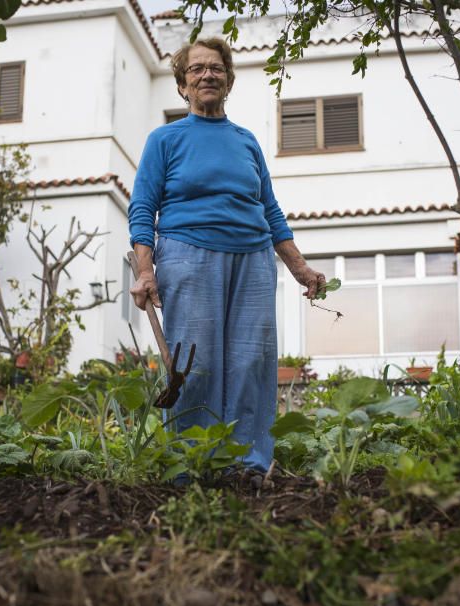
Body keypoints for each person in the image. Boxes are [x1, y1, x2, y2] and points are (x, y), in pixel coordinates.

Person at [128, 37, 325, 472]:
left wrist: (298, 265)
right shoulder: (165, 139)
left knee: (251, 362)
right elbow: (143, 207)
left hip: (253, 259)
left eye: (215, 68)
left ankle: (247, 464)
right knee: (196, 363)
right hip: (188, 253)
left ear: (229, 79)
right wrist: (146, 269)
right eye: (196, 70)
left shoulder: (247, 141)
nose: (207, 75)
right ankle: (193, 464)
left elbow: (269, 208)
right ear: (182, 85)